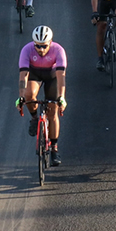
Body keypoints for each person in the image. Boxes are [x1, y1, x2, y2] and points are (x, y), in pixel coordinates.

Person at [16, 26, 68, 165]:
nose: (41, 50)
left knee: (53, 112)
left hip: (52, 77)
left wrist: (61, 97)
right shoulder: (27, 50)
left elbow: (61, 77)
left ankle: (54, 149)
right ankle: (34, 118)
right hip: (34, 74)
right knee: (29, 95)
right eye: (37, 46)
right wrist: (21, 97)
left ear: (50, 42)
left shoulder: (58, 50)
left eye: (44, 46)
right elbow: (23, 76)